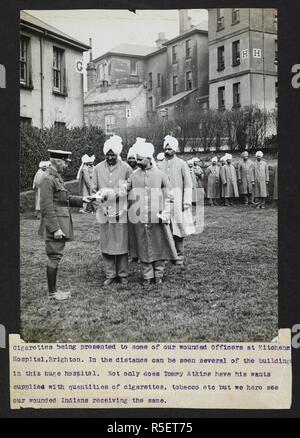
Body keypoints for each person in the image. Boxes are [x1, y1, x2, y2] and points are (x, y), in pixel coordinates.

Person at [39, 150, 91, 301]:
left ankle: (54, 290)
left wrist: (83, 199)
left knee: (56, 256)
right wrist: (55, 229)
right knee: (54, 256)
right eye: (64, 162)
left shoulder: (56, 178)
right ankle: (52, 293)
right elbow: (46, 207)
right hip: (54, 225)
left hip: (59, 223)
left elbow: (65, 198)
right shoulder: (47, 179)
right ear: (56, 161)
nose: (66, 165)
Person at [127, 141, 178, 286]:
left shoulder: (161, 175)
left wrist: (166, 212)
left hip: (157, 217)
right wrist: (108, 194)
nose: (137, 162)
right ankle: (147, 275)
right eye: (136, 159)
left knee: (159, 245)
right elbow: (123, 189)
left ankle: (159, 274)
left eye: (140, 159)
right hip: (139, 218)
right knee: (143, 246)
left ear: (149, 159)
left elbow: (170, 196)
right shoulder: (133, 175)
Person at [92, 135, 132, 286]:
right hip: (104, 212)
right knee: (107, 243)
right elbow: (94, 190)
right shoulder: (97, 168)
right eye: (107, 155)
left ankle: (123, 274)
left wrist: (123, 208)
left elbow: (130, 190)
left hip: (121, 212)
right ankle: (110, 274)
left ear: (118, 154)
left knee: (121, 242)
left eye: (112, 155)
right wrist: (100, 207)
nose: (109, 157)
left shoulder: (126, 168)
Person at [159, 135, 194, 266]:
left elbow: (188, 183)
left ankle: (179, 254)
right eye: (165, 149)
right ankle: (168, 253)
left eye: (169, 149)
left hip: (178, 201)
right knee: (165, 227)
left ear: (175, 150)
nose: (167, 151)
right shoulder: (160, 164)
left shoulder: (181, 164)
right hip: (164, 201)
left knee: (178, 227)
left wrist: (186, 201)